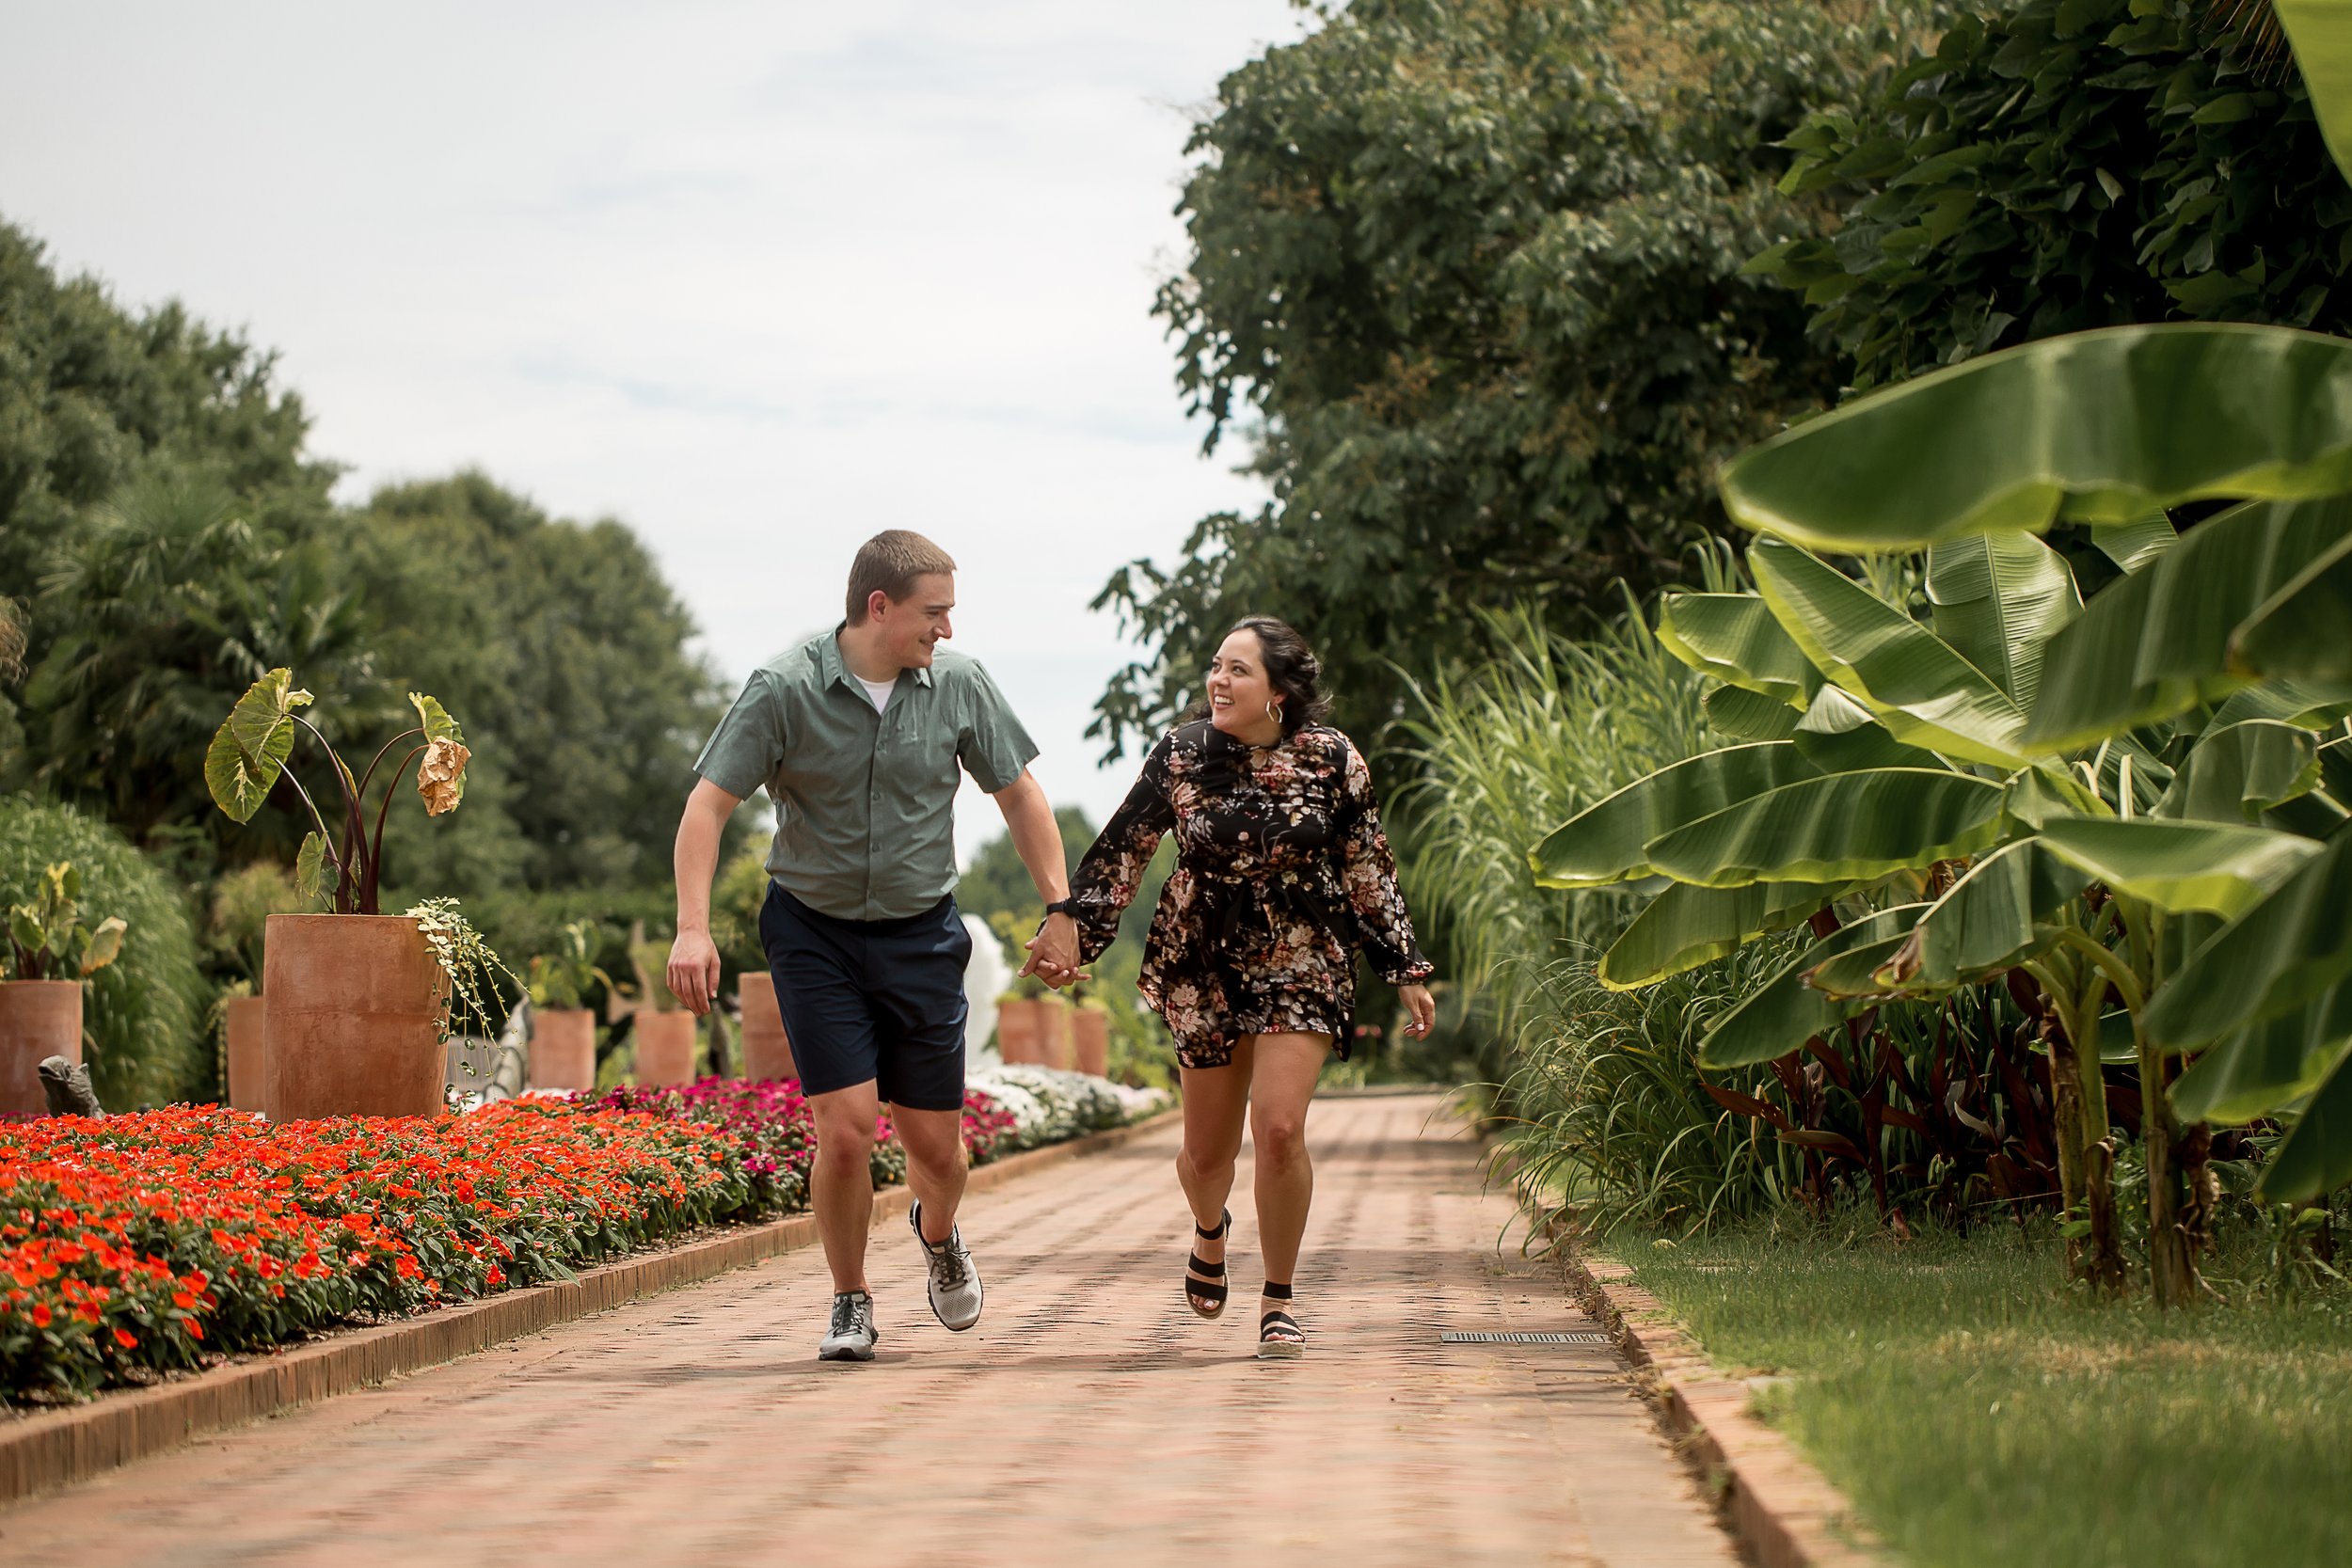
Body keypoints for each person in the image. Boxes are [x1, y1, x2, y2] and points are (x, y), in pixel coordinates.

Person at [669, 531, 1080, 1362]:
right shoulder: (783, 688)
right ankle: (850, 1298)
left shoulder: (959, 686)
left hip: (922, 934)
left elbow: (1020, 794)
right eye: (935, 613)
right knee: (848, 1128)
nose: (948, 631)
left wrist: (1061, 908)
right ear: (879, 606)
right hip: (812, 929)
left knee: (940, 1153)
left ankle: (939, 1230)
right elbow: (706, 807)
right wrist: (691, 924)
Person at [1039, 616, 1435, 1358]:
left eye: (1238, 670)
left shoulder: (1333, 758)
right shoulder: (1182, 754)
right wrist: (1072, 932)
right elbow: (1123, 848)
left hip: (1303, 949)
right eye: (1216, 666)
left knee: (1279, 1129)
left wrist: (1402, 964)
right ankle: (1210, 1228)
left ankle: (1279, 1298)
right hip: (1204, 957)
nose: (1218, 680)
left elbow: (1366, 863)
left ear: (1279, 691)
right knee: (1206, 1158)